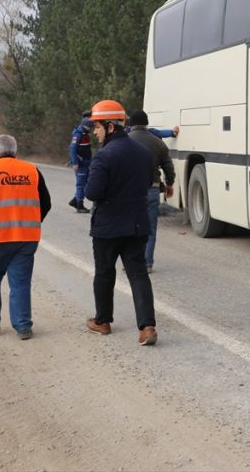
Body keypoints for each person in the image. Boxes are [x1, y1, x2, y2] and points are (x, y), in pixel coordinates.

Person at [82, 99, 158, 346]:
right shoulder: (144, 153)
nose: (95, 131)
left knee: (104, 273)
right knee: (138, 274)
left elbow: (92, 193)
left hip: (107, 228)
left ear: (111, 126)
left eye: (97, 127)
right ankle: (147, 327)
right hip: (136, 225)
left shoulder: (104, 156)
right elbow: (147, 183)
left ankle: (103, 322)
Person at [0, 134, 52, 339]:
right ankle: (23, 326)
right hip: (26, 239)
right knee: (20, 282)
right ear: (15, 153)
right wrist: (32, 221)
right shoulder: (32, 170)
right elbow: (46, 202)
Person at [127, 109, 176, 273]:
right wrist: (169, 184)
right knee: (150, 227)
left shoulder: (125, 140)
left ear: (131, 124)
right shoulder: (157, 142)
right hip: (152, 189)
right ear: (146, 123)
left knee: (129, 227)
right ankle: (147, 263)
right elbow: (168, 166)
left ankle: (131, 262)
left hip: (129, 192)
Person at [68, 109, 93, 213]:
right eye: (89, 127)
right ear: (85, 125)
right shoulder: (78, 134)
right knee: (81, 184)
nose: (90, 129)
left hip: (86, 162)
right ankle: (79, 205)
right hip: (80, 163)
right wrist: (75, 163)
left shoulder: (84, 133)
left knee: (85, 183)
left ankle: (75, 200)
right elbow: (72, 149)